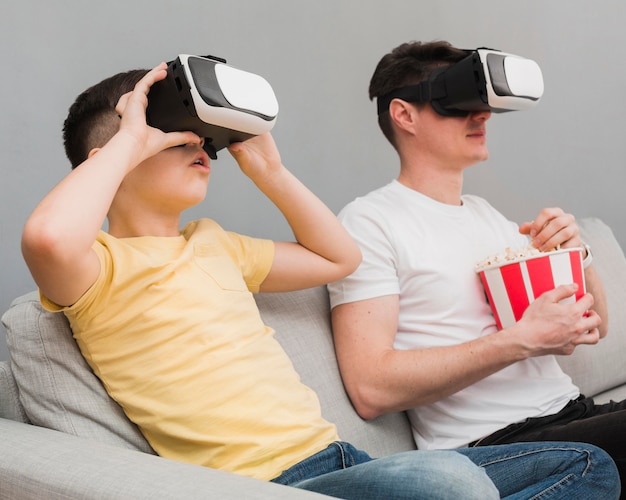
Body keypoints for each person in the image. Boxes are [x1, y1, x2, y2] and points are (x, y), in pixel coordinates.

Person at [20, 61, 619, 499]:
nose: (202, 147)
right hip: (267, 485)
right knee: (450, 479)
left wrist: (272, 172)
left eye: (203, 141)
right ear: (112, 156)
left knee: (590, 465)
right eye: (173, 136)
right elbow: (47, 236)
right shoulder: (94, 267)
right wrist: (129, 139)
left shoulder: (213, 244)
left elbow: (339, 259)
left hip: (343, 464)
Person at [328, 39, 624, 496]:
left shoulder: (489, 215)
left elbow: (595, 326)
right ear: (404, 115)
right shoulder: (369, 222)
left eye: (483, 103)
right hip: (497, 443)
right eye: (458, 103)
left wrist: (578, 255)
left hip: (571, 413)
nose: (481, 115)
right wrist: (519, 340)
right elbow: (371, 388)